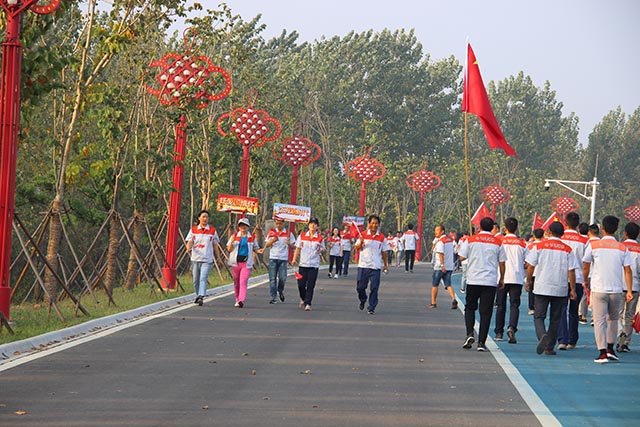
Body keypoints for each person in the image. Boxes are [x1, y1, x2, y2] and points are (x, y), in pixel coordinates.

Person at [583, 215, 633, 363]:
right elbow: (628, 270)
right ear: (617, 229)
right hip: (616, 289)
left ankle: (602, 352)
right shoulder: (622, 247)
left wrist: (585, 281)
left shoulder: (594, 245)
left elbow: (586, 264)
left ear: (602, 229)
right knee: (613, 319)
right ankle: (611, 348)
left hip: (599, 288)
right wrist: (629, 291)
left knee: (599, 321)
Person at [525, 222, 578, 356]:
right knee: (556, 319)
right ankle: (549, 347)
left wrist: (528, 281)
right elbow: (571, 271)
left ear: (548, 232)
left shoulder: (539, 246)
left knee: (539, 316)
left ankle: (543, 335)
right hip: (560, 288)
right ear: (562, 234)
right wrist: (572, 289)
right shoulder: (567, 249)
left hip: (542, 286)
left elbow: (530, 266)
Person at [458, 217, 506, 352]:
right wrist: (502, 278)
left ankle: (469, 334)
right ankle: (481, 342)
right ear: (492, 228)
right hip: (489, 281)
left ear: (480, 227)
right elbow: (502, 262)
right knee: (486, 313)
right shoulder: (498, 242)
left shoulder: (471, 239)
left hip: (473, 279)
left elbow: (461, 257)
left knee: (470, 308)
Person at [557, 212, 588, 350]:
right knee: (574, 310)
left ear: (565, 222)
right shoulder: (584, 241)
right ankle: (572, 339)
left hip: (562, 278)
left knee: (561, 308)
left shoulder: (560, 238)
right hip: (578, 279)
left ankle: (562, 339)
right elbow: (586, 262)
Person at [494, 217, 526, 344]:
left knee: (500, 305)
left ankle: (499, 332)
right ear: (517, 228)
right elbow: (528, 262)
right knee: (514, 305)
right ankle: (512, 327)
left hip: (502, 277)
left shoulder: (498, 241)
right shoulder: (522, 243)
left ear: (505, 228)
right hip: (517, 277)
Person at [354, 215, 390, 315]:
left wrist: (385, 265)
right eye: (372, 223)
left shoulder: (382, 237)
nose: (374, 225)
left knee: (374, 287)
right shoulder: (363, 235)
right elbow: (357, 248)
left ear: (378, 225)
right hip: (363, 266)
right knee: (360, 287)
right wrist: (360, 242)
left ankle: (371, 307)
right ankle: (363, 299)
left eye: (376, 223)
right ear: (369, 224)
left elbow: (384, 252)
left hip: (375, 266)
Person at [185, 210, 222, 306]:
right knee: (195, 280)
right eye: (203, 217)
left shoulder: (212, 230)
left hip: (207, 259)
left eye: (207, 217)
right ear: (199, 218)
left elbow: (215, 245)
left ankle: (201, 295)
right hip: (195, 259)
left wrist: (218, 257)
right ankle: (198, 295)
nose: (205, 219)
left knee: (203, 278)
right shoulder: (193, 230)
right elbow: (189, 241)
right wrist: (188, 248)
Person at [226, 217, 263, 308]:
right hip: (236, 262)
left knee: (243, 281)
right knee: (236, 282)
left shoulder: (252, 237)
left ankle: (241, 300)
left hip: (246, 263)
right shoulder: (234, 236)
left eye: (245, 225)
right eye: (241, 225)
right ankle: (237, 299)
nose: (243, 227)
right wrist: (232, 242)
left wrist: (259, 251)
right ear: (238, 227)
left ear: (248, 227)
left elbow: (255, 248)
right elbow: (229, 249)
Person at [292, 217, 325, 311]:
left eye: (315, 224)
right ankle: (303, 298)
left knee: (311, 285)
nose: (312, 225)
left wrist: (321, 249)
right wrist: (294, 259)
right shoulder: (302, 236)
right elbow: (298, 248)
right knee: (301, 284)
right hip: (303, 264)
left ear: (317, 226)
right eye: (311, 223)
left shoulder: (319, 238)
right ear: (308, 225)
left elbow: (323, 248)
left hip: (314, 265)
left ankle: (308, 303)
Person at [617, 222, 640, 353]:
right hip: (635, 286)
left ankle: (620, 332)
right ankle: (625, 343)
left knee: (616, 314)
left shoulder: (620, 247)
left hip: (619, 285)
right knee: (629, 316)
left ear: (625, 233)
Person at [264, 218, 296, 304]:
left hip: (283, 259)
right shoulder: (272, 232)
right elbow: (266, 245)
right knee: (272, 278)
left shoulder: (289, 233)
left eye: (280, 224)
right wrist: (273, 240)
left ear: (283, 223)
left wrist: (289, 244)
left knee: (282, 278)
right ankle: (273, 297)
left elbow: (294, 246)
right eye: (277, 223)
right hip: (273, 258)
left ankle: (280, 290)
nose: (278, 225)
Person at [429, 225, 458, 310]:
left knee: (435, 284)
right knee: (448, 284)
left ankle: (433, 303)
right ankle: (453, 299)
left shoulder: (441, 241)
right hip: (449, 266)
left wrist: (442, 265)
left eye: (437, 230)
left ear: (442, 231)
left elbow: (441, 254)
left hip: (440, 267)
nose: (435, 232)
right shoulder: (449, 241)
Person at [526, 228, 545, 315]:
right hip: (541, 272)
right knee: (539, 291)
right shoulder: (544, 246)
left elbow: (527, 260)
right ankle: (538, 307)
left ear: (534, 236)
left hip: (532, 271)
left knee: (531, 290)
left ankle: (531, 307)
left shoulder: (530, 246)